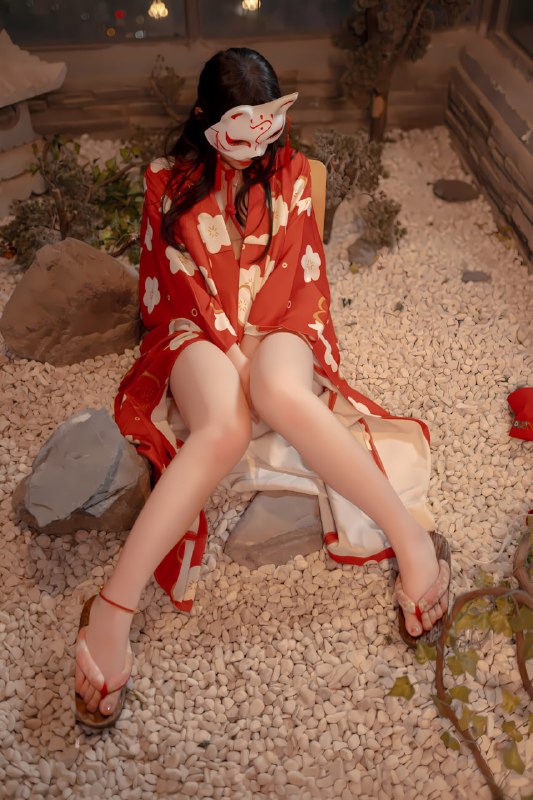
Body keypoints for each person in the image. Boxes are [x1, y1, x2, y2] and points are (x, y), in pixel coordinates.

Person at [75, 47, 451, 729]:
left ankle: (412, 542)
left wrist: (253, 350)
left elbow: (297, 269)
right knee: (223, 428)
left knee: (279, 393)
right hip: (193, 324)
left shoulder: (294, 171)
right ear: (204, 118)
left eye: (266, 133)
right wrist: (228, 347)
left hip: (280, 316)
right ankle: (112, 608)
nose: (256, 151)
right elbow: (174, 282)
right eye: (240, 135)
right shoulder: (164, 179)